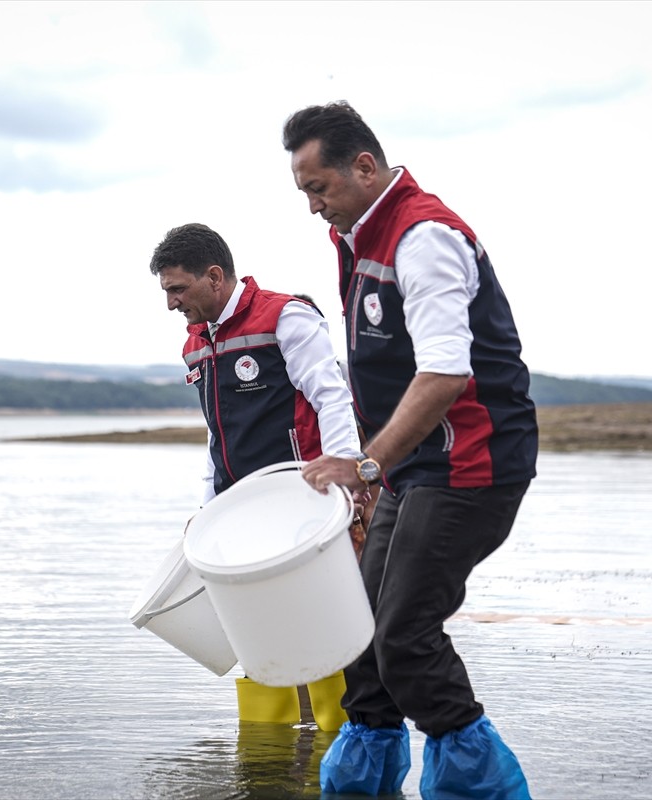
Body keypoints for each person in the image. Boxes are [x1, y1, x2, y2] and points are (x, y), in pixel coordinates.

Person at [282, 102, 538, 799]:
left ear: (364, 166)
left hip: (472, 467)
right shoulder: (363, 237)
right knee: (360, 631)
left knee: (404, 636)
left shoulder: (423, 236)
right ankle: (364, 781)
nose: (312, 206)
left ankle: (481, 788)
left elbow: (445, 373)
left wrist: (367, 463)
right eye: (304, 192)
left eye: (318, 188)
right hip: (415, 470)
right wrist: (376, 473)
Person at [148, 222, 366, 732]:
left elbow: (331, 397)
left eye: (177, 289)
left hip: (304, 503)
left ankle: (337, 747)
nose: (172, 304)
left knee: (320, 631)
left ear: (215, 277)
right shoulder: (196, 344)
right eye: (167, 292)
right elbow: (214, 434)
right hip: (237, 514)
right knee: (259, 638)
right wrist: (206, 510)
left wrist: (349, 484)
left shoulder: (285, 316)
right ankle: (266, 761)